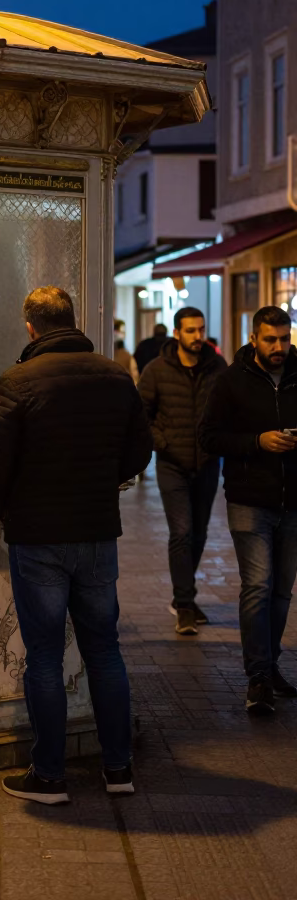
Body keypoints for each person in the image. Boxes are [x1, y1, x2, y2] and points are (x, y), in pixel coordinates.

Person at [0, 287, 152, 805]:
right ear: (73, 320)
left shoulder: (18, 380)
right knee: (105, 650)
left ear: (31, 327)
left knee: (45, 657)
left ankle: (49, 776)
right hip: (97, 532)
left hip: (39, 537)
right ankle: (118, 769)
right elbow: (141, 448)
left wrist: (13, 507)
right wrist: (105, 482)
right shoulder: (115, 375)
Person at [200, 306, 297, 714]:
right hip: (248, 500)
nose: (279, 347)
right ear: (254, 339)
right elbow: (209, 437)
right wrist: (258, 441)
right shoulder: (231, 381)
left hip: (293, 501)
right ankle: (257, 676)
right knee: (257, 585)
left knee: (281, 591)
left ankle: (270, 665)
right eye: (270, 339)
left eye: (284, 339)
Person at [138, 306, 227, 636]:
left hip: (207, 463)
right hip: (172, 464)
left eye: (201, 329)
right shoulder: (156, 370)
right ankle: (185, 604)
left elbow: (227, 408)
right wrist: (161, 442)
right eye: (190, 330)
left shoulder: (217, 366)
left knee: (200, 533)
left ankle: (185, 596)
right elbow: (140, 416)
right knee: (182, 531)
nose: (197, 336)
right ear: (177, 333)